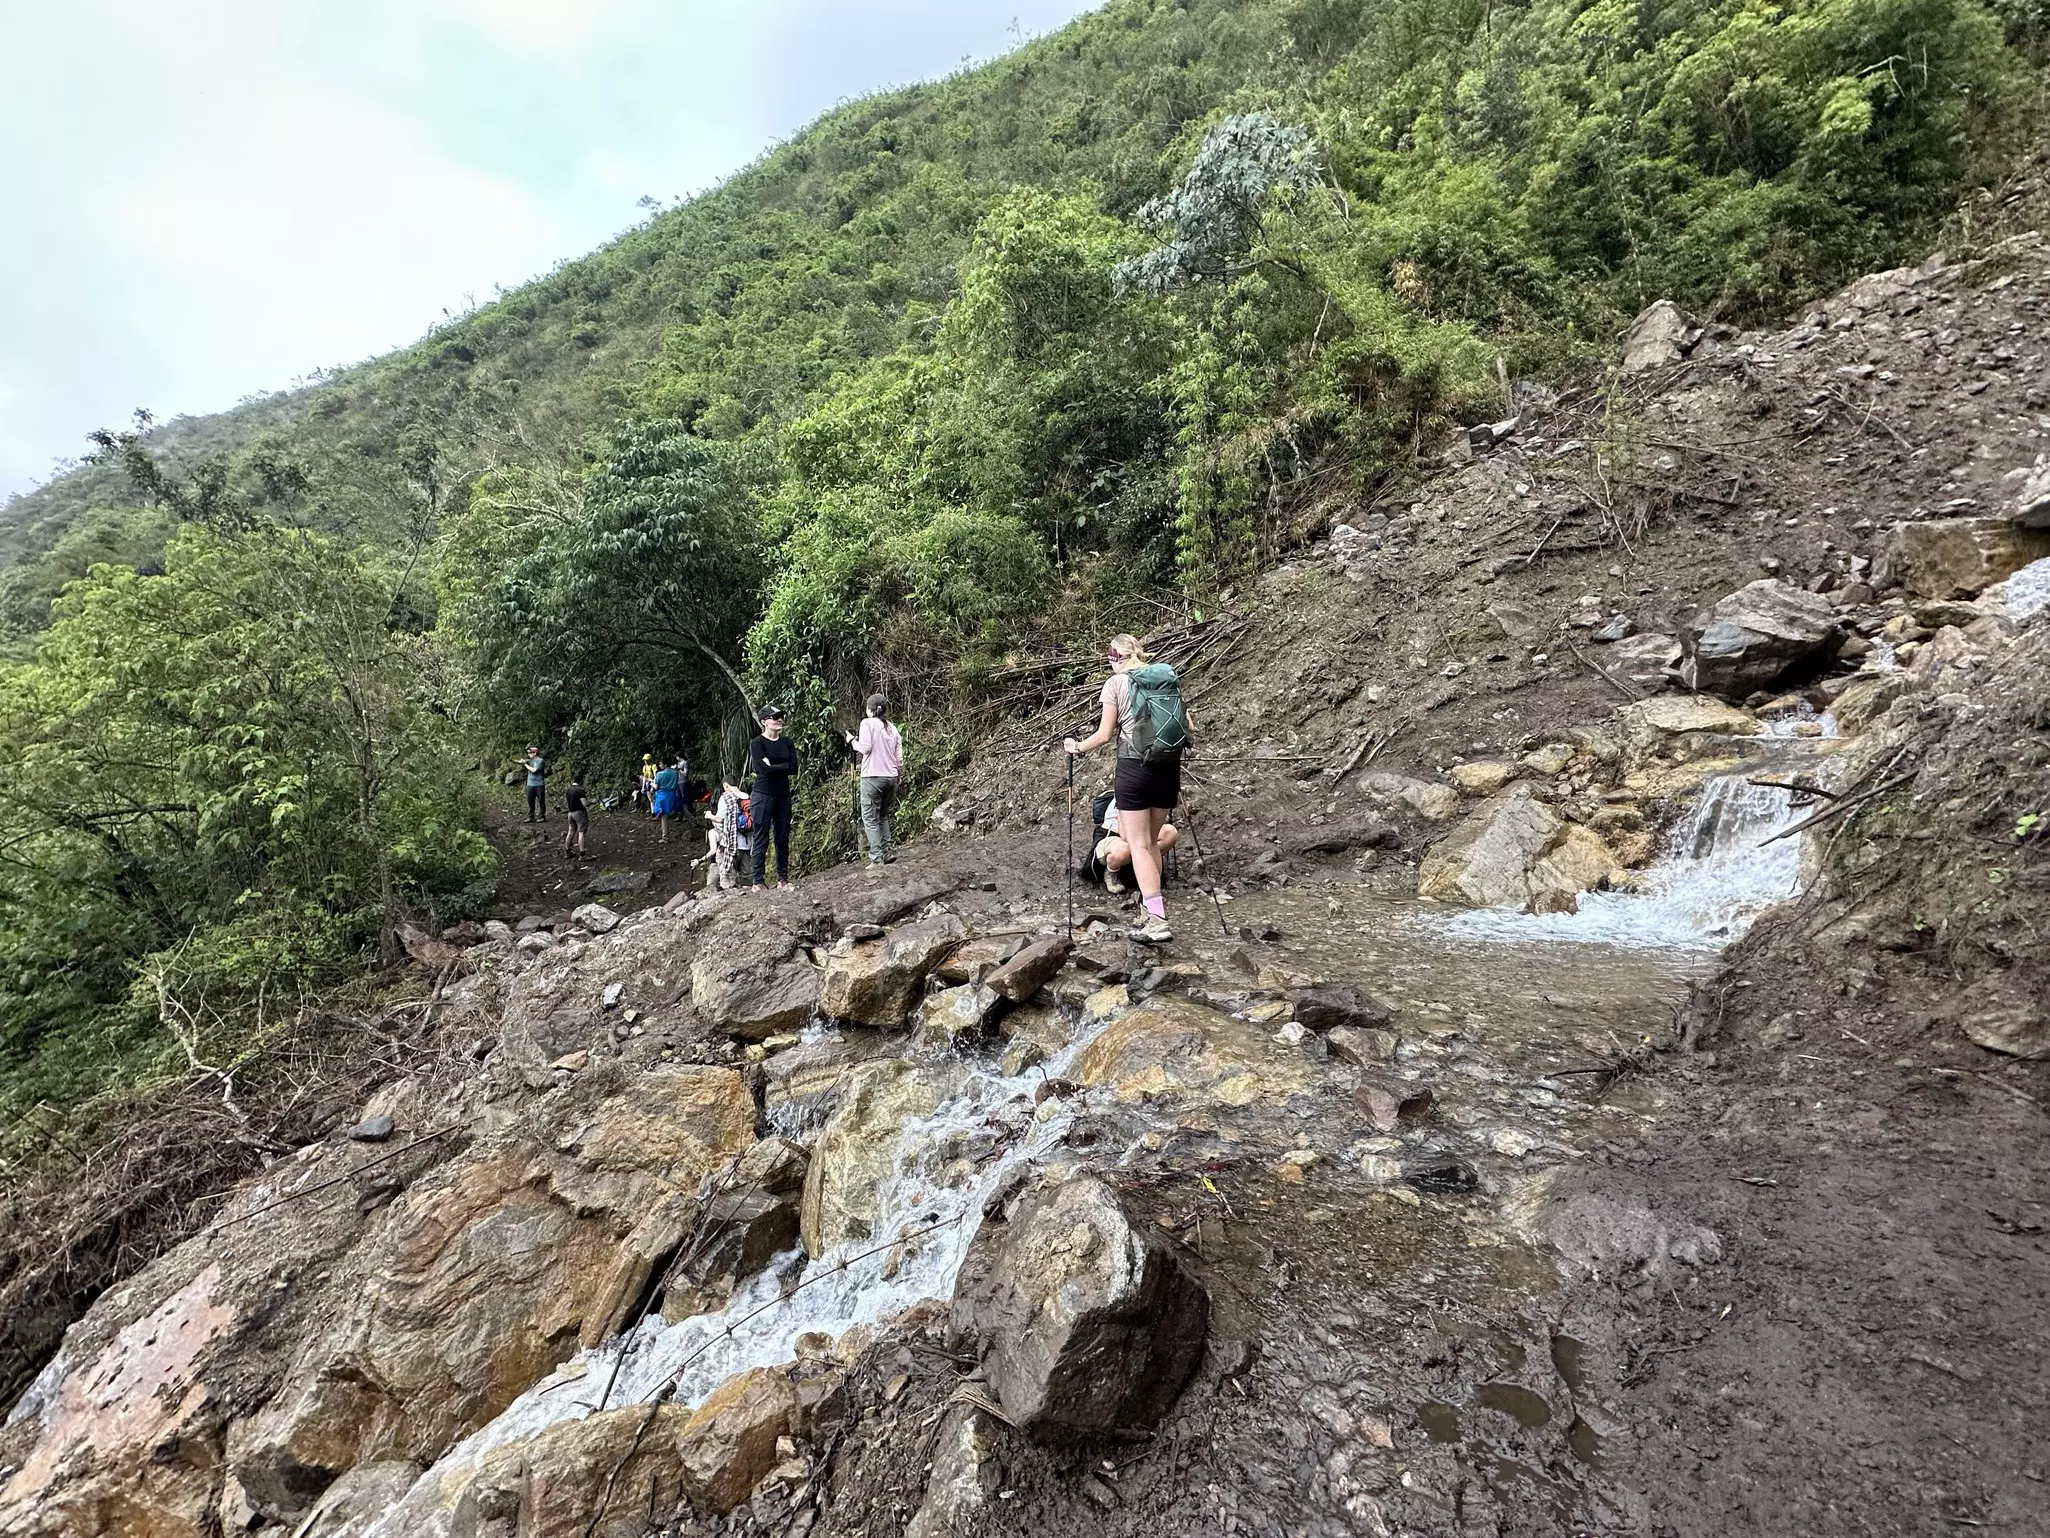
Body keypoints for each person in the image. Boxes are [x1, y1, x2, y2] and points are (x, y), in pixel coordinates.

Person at [1063, 634, 1186, 942]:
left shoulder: (1116, 684)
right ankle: (1149, 909)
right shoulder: (1165, 679)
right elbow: (1189, 725)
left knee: (1141, 845)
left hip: (1135, 769)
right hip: (1169, 768)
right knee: (1152, 842)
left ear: (1116, 656)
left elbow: (1105, 734)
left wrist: (1077, 747)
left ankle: (1157, 919)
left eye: (1109, 657)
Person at [1078, 786, 1177, 895]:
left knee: (1170, 833)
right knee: (1124, 850)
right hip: (1114, 834)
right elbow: (1125, 834)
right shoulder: (1129, 788)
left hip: (1141, 833)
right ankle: (1111, 874)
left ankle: (1144, 870)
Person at [844, 693, 903, 864]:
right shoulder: (892, 727)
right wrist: (897, 774)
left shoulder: (867, 723)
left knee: (870, 818)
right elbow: (899, 758)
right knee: (882, 815)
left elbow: (865, 748)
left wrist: (851, 741)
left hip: (872, 776)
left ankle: (876, 858)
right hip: (891, 777)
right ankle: (888, 850)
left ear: (869, 709)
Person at [748, 706, 798, 890]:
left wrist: (772, 766)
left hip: (783, 794)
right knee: (761, 837)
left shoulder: (787, 742)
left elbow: (794, 768)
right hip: (763, 795)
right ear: (764, 722)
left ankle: (783, 878)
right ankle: (758, 881)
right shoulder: (757, 743)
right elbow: (762, 770)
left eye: (780, 716)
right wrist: (781, 766)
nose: (779, 720)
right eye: (774, 717)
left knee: (782, 836)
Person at [703, 778, 751, 891]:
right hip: (747, 843)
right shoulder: (747, 796)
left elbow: (720, 819)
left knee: (728, 878)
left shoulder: (725, 797)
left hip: (730, 844)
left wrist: (709, 816)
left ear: (726, 785)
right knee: (746, 877)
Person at [651, 758, 683, 842]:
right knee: (681, 808)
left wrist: (652, 784)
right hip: (673, 794)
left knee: (664, 815)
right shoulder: (675, 773)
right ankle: (693, 822)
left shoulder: (659, 774)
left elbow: (657, 787)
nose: (659, 765)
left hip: (662, 796)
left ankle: (665, 837)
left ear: (664, 765)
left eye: (661, 764)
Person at [562, 773, 590, 858]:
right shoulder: (580, 790)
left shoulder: (568, 790)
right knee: (581, 833)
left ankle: (567, 852)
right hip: (579, 813)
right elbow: (585, 803)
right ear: (581, 780)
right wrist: (592, 801)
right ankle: (582, 855)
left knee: (570, 833)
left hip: (570, 813)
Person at [523, 746, 548, 822]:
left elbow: (534, 770)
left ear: (535, 753)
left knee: (541, 801)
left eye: (530, 753)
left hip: (539, 784)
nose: (529, 754)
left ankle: (542, 817)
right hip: (530, 784)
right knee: (530, 801)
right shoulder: (530, 761)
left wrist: (525, 764)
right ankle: (531, 817)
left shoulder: (540, 761)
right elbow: (520, 762)